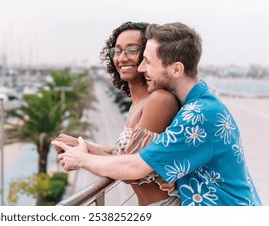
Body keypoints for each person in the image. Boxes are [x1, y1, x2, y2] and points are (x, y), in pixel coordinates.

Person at [53, 22, 262, 206]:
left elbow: (136, 167)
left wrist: (82, 159)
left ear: (176, 69)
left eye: (147, 60)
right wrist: (86, 148)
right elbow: (140, 157)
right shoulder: (200, 106)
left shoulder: (198, 114)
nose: (142, 67)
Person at [53, 21, 181, 205]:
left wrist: (82, 158)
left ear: (148, 55)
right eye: (117, 51)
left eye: (131, 49)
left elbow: (132, 171)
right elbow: (124, 157)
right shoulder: (137, 103)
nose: (121, 58)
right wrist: (81, 144)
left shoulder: (159, 100)